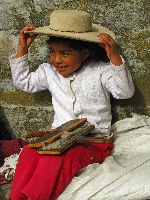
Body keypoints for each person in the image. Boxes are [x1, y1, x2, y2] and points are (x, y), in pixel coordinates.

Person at [9, 10, 135, 200]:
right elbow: (24, 82)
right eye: (52, 52)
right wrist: (22, 50)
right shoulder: (48, 71)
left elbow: (124, 92)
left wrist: (115, 57)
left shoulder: (101, 71)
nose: (57, 60)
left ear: (84, 54)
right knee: (29, 152)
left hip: (93, 142)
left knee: (56, 159)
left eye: (65, 53)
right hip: (58, 137)